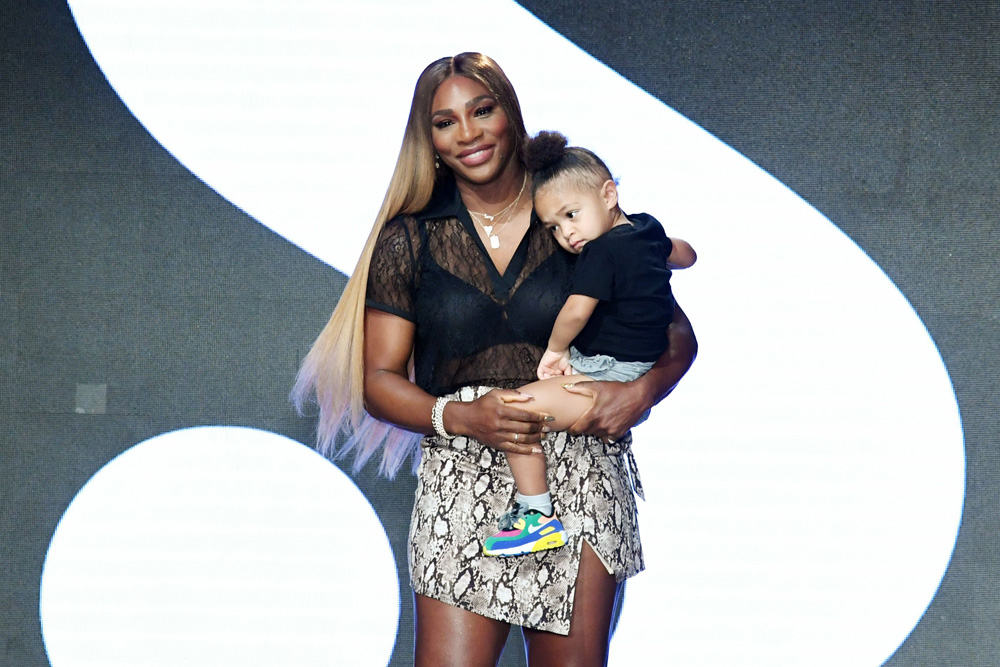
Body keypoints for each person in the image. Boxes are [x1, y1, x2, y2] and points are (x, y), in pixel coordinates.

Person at [292, 52, 697, 667]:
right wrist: (461, 419)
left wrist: (639, 395)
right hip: (461, 476)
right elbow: (377, 381)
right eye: (445, 121)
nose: (469, 133)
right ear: (427, 140)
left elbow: (676, 337)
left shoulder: (570, 217)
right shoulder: (411, 239)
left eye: (482, 110)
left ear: (510, 115)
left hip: (578, 471)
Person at [482, 131, 697, 558]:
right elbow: (686, 254)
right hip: (625, 365)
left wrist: (556, 351)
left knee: (511, 411)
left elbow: (577, 312)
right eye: (555, 227)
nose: (568, 234)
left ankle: (536, 516)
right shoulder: (645, 228)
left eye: (571, 214)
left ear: (609, 194)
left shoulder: (602, 252)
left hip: (608, 373)